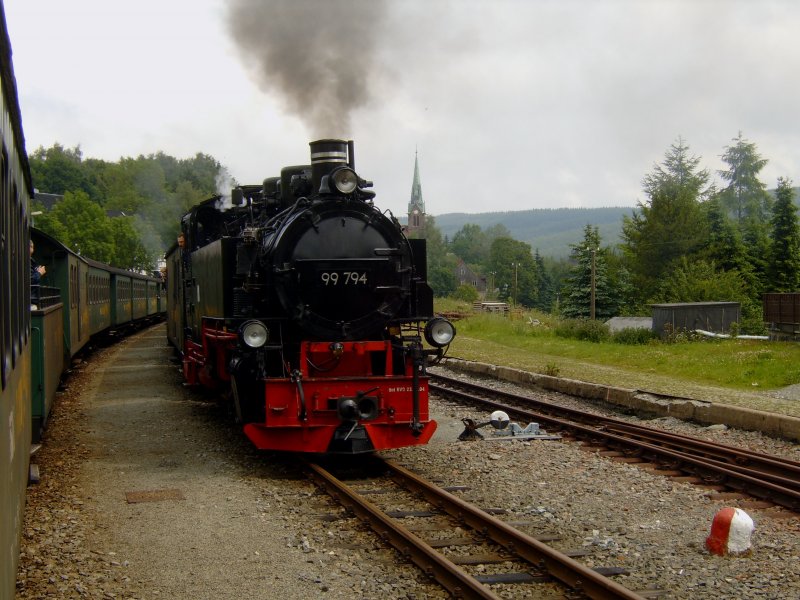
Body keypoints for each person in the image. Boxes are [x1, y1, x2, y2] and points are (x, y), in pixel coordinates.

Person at [30, 240, 45, 310]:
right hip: (30, 300)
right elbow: (30, 280)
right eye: (32, 247)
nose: (33, 249)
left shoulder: (32, 262)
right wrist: (39, 273)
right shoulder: (26, 261)